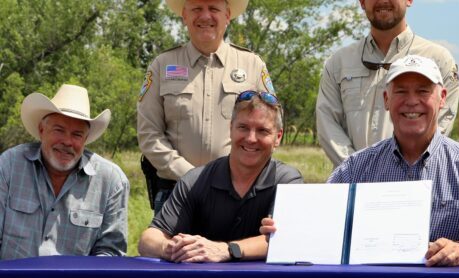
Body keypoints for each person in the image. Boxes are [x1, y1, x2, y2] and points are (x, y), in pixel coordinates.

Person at [265, 55, 459, 267]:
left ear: (442, 97)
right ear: (387, 100)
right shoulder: (355, 169)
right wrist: (285, 232)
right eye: (401, 91)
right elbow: (320, 229)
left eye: (423, 91)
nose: (412, 101)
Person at [137, 0, 274, 214]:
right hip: (175, 193)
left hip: (238, 194)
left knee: (232, 249)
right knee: (171, 249)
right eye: (197, 9)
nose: (205, 16)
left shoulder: (253, 66)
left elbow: (270, 128)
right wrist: (190, 176)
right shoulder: (162, 65)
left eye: (213, 9)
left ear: (227, 15)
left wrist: (237, 175)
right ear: (184, 15)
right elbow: (149, 134)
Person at [138, 90, 302, 263]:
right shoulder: (194, 181)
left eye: (262, 131)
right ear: (230, 128)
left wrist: (227, 250)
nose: (251, 138)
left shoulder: (288, 182)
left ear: (278, 137)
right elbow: (148, 240)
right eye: (243, 127)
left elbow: (287, 241)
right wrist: (174, 248)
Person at [316, 0, 459, 167]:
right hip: (352, 184)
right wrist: (357, 169)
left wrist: (401, 168)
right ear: (362, 2)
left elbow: (442, 121)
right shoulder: (338, 63)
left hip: (417, 180)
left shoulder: (439, 60)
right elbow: (327, 124)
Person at [0, 84, 129, 260]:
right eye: (59, 130)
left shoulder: (112, 181)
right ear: (41, 130)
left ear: (85, 139)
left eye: (76, 135)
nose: (67, 142)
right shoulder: (9, 165)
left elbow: (110, 253)